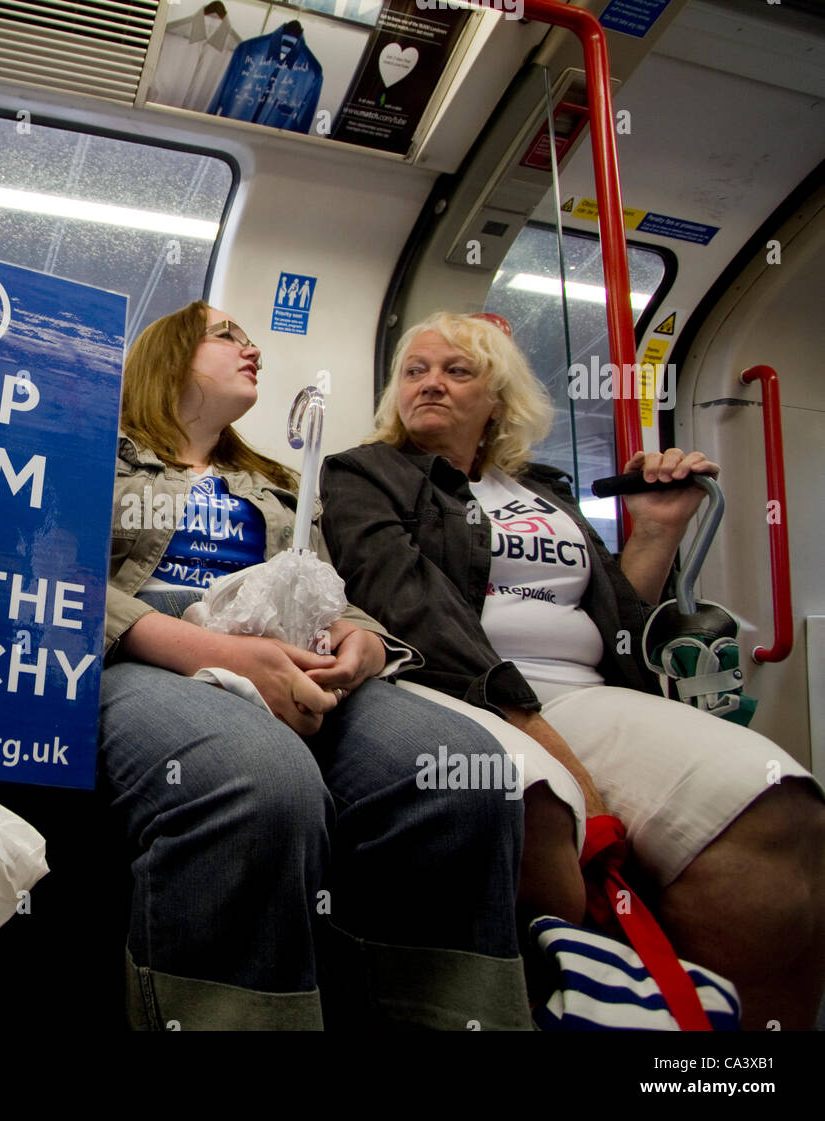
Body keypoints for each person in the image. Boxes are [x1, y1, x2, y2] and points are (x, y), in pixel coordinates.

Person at [0, 301, 530, 1031]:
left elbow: (323, 589)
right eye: (225, 335)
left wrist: (363, 645)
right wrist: (213, 653)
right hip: (134, 651)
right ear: (166, 355)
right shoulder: (84, 457)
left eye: (249, 336)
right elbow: (39, 581)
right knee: (260, 781)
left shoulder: (283, 480)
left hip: (289, 651)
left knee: (458, 768)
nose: (249, 345)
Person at [319, 310, 825, 1029]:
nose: (430, 383)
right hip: (461, 689)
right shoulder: (366, 474)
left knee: (775, 800)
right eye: (415, 370)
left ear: (498, 399)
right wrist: (534, 725)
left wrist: (655, 528)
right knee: (538, 804)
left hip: (586, 693)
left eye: (457, 371)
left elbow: (618, 616)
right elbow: (409, 609)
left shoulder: (545, 490)